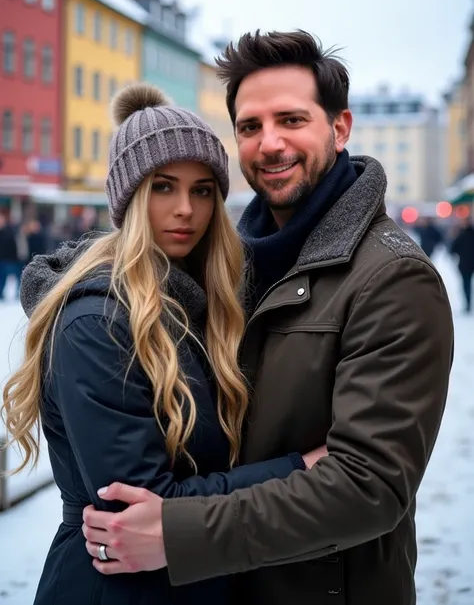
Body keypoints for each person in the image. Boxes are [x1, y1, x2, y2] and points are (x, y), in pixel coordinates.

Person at [80, 31, 454, 605]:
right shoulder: (231, 271)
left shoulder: (391, 279)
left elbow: (368, 487)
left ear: (340, 127)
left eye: (291, 119)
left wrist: (180, 532)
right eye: (251, 126)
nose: (270, 143)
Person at [2, 84, 325, 605]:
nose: (186, 210)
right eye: (163, 187)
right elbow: (138, 507)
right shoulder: (96, 320)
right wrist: (299, 471)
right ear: (129, 197)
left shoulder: (200, 303)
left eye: (202, 191)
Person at [450, 217, 474, 312]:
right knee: (466, 284)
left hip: (466, 263)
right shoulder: (461, 234)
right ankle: (467, 303)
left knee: (466, 284)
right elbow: (453, 248)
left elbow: (453, 248)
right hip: (465, 264)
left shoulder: (462, 234)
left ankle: (468, 303)